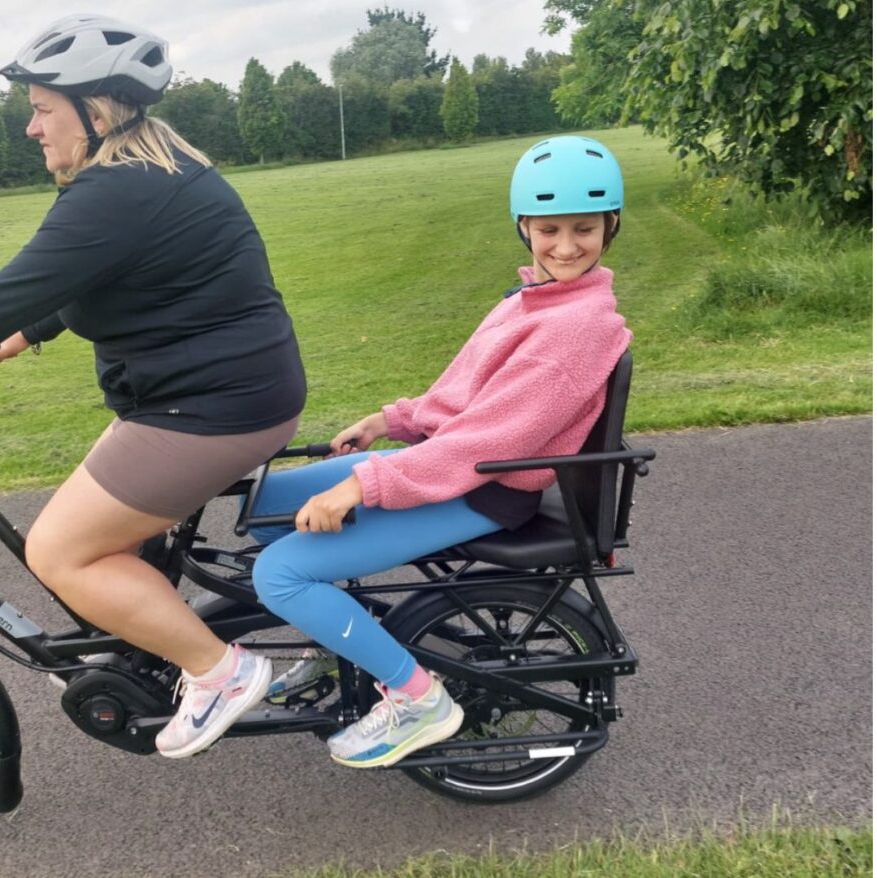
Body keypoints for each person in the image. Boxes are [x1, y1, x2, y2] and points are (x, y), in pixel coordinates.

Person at [0, 14, 307, 759]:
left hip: (211, 408)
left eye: (43, 109)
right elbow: (107, 275)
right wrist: (33, 330)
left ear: (95, 112)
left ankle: (220, 672)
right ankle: (144, 639)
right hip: (218, 393)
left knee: (60, 551)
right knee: (90, 521)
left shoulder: (117, 191)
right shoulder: (153, 172)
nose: (32, 128)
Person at [250, 135, 633, 768]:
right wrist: (392, 420)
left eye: (584, 229)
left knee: (279, 573)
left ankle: (418, 700)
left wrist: (363, 485)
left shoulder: (576, 327)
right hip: (458, 466)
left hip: (484, 489)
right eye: (549, 230)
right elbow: (466, 396)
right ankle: (344, 639)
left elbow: (488, 441)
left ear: (610, 227)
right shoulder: (533, 299)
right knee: (267, 502)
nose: (566, 247)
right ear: (523, 228)